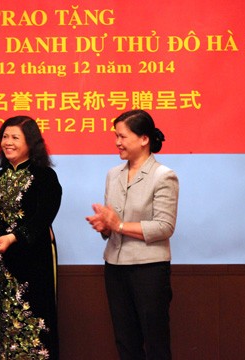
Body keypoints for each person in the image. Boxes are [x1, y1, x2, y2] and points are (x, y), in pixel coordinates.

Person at [86, 110, 179, 360]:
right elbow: (113, 223)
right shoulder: (113, 174)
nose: (117, 142)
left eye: (123, 136)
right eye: (116, 136)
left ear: (144, 139)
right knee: (125, 341)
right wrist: (105, 226)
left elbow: (164, 227)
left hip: (149, 269)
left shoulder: (164, 176)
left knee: (155, 342)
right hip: (115, 267)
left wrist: (119, 225)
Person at [0, 115, 62, 359]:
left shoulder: (45, 176)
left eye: (15, 137)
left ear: (31, 143)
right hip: (3, 264)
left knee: (35, 326)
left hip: (34, 263)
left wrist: (13, 238)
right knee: (4, 323)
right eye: (5, 136)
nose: (8, 142)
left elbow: (42, 219)